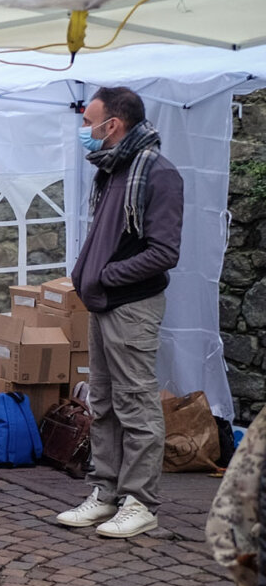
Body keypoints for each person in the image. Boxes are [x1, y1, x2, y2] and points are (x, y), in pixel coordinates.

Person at [56, 86, 183, 539]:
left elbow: (164, 252)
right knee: (104, 403)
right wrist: (89, 276)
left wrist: (105, 276)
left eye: (89, 122)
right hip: (104, 305)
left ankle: (140, 502)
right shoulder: (112, 172)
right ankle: (106, 492)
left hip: (132, 306)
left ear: (114, 125)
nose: (84, 131)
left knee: (137, 403)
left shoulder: (158, 174)